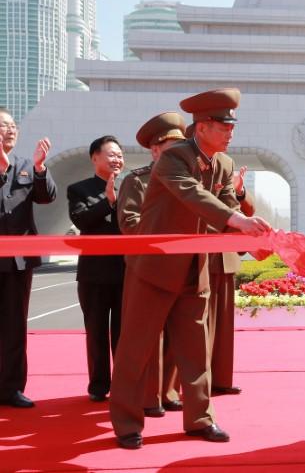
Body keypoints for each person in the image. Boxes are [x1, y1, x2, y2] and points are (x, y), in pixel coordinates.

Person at [109, 88, 271, 450]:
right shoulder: (173, 158)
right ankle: (126, 422)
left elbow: (227, 208)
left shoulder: (225, 164)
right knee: (136, 348)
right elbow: (193, 195)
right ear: (201, 128)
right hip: (153, 268)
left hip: (194, 268)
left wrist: (252, 235)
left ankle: (199, 419)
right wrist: (235, 219)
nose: (231, 132)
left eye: (232, 125)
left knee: (196, 350)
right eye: (223, 126)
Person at [117, 112, 187, 416]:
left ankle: (170, 391)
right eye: (170, 149)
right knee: (148, 336)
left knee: (177, 335)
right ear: (155, 149)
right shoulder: (135, 181)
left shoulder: (186, 180)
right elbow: (129, 222)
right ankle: (148, 396)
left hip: (182, 265)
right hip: (147, 266)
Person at [182, 123, 255, 396]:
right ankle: (197, 384)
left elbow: (238, 209)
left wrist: (239, 192)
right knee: (200, 325)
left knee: (223, 325)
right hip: (200, 255)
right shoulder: (183, 166)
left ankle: (222, 379)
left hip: (224, 256)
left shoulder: (225, 163)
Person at [0, 107, 56, 408]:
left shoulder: (25, 165)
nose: (10, 129)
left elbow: (48, 196)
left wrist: (39, 167)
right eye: (3, 125)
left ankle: (10, 389)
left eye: (12, 125)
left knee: (14, 326)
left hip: (18, 261)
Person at [67, 136, 126, 403]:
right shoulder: (79, 189)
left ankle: (126, 384)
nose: (117, 159)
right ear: (95, 158)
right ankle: (99, 386)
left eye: (119, 155)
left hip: (127, 272)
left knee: (124, 333)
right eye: (111, 154)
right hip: (93, 274)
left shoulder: (131, 188)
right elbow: (81, 220)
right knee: (96, 331)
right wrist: (108, 200)